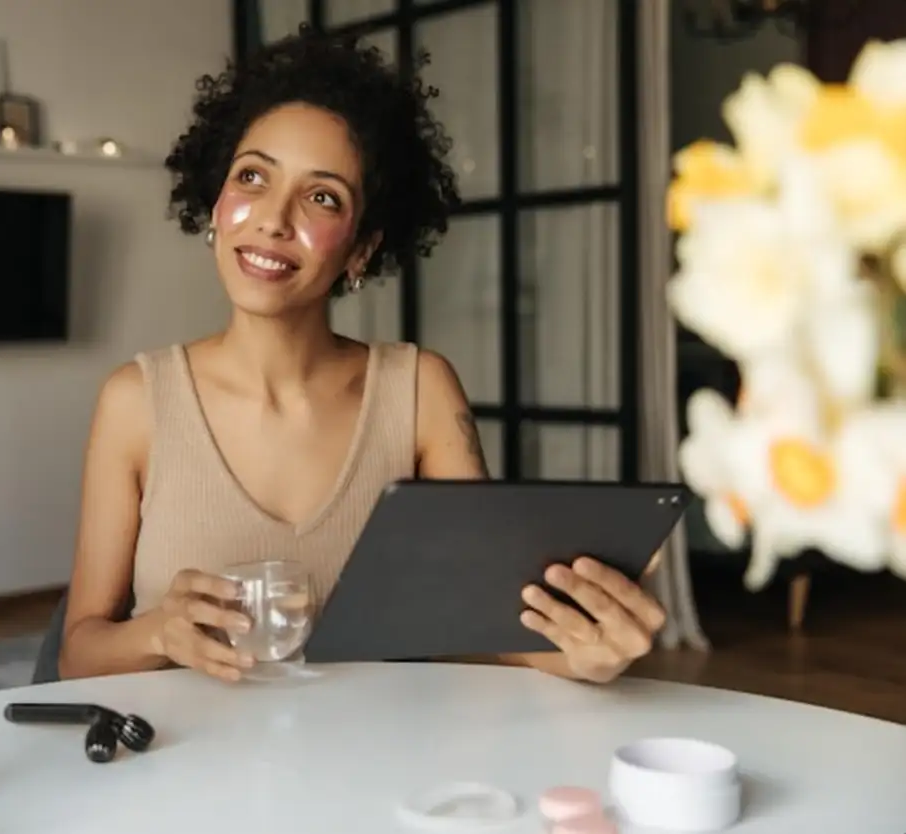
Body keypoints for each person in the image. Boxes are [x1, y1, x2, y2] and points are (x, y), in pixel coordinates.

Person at [57, 28, 666, 685]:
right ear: (215, 203)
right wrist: (159, 633)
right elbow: (77, 656)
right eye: (252, 177)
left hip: (378, 771)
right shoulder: (136, 401)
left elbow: (487, 628)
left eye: (322, 197)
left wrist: (587, 654)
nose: (273, 218)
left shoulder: (420, 391)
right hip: (184, 769)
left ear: (361, 251)